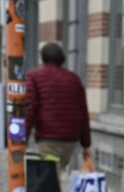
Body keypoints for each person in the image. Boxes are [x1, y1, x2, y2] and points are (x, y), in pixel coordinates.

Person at [24, 42, 91, 171]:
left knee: (51, 178)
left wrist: (23, 138)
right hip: (70, 139)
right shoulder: (74, 78)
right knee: (55, 173)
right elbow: (83, 112)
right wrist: (85, 144)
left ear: (42, 57)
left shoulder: (33, 76)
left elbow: (30, 108)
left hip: (48, 139)